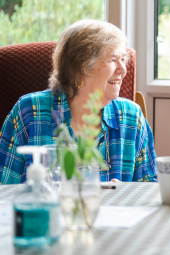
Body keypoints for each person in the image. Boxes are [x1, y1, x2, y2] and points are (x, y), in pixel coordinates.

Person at [0, 20, 157, 184]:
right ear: (81, 67)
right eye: (112, 60)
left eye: (123, 59)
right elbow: (3, 192)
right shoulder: (29, 112)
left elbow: (151, 192)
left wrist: (124, 195)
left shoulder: (132, 117)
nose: (123, 70)